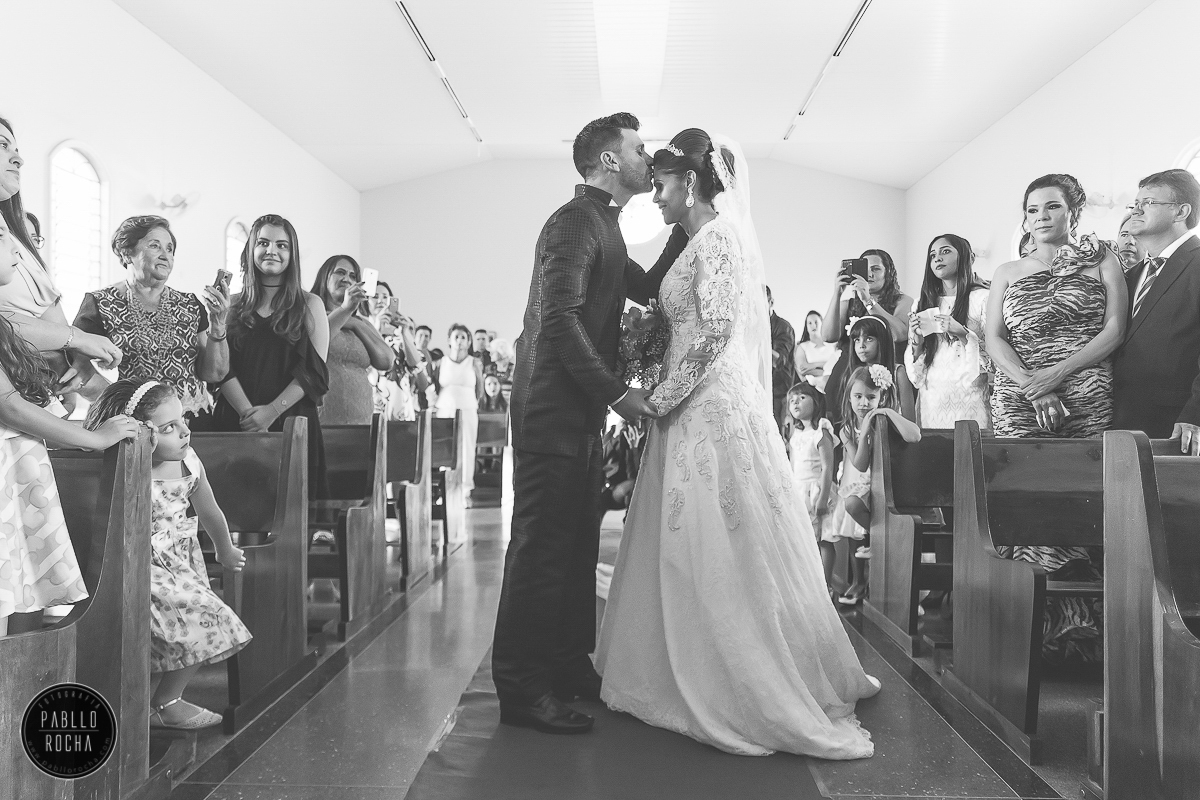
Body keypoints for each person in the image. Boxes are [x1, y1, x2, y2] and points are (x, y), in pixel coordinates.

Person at [597, 128, 879, 758]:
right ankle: (677, 659)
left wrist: (663, 397)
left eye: (664, 186)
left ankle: (738, 676)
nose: (658, 197)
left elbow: (718, 327)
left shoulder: (718, 237)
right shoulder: (696, 238)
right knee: (689, 534)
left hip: (706, 403)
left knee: (722, 533)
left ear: (689, 183)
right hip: (689, 402)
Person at [491, 111, 689, 736]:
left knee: (577, 543)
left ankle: (569, 665)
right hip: (552, 405)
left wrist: (692, 219)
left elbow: (650, 287)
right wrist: (618, 393)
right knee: (542, 548)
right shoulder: (575, 222)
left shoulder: (606, 225)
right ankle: (521, 688)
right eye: (637, 149)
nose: (645, 157)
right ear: (609, 160)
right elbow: (559, 320)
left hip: (575, 409)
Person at [987, 173, 1126, 663]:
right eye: (1032, 209)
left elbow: (1115, 330)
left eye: (1052, 207)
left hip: (1085, 392)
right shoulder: (1006, 271)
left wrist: (1058, 375)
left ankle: (1084, 634)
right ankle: (1027, 630)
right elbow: (994, 340)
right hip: (1018, 395)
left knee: (1081, 499)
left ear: (1072, 212)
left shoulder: (1103, 259)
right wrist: (1032, 384)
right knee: (1027, 500)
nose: (1041, 217)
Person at [0, 216, 142, 636]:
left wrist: (74, 341)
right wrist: (94, 439)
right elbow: (9, 406)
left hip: (16, 469)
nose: (18, 251)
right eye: (3, 239)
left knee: (12, 600)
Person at [85, 380, 251, 728]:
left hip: (181, 561)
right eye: (168, 428)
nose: (184, 432)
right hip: (139, 564)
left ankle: (163, 702)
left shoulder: (189, 461)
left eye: (183, 420)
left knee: (195, 620)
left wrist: (224, 548)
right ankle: (154, 703)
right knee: (207, 615)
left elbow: (209, 511)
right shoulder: (129, 461)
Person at [210, 214, 330, 499]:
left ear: (292, 254)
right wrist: (247, 415)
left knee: (290, 516)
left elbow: (313, 371)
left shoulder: (310, 304)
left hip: (292, 421)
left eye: (282, 245)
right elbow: (220, 366)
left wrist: (271, 412)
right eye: (263, 243)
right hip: (237, 421)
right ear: (251, 249)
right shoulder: (233, 304)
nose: (271, 251)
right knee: (236, 512)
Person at [0, 117, 123, 393]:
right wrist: (75, 338)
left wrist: (77, 356)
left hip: (48, 385)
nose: (18, 159)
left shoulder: (14, 235)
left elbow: (50, 322)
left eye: (16, 150)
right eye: (2, 145)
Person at [72, 216, 230, 426]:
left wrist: (218, 322)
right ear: (127, 252)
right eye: (155, 246)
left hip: (192, 422)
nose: (166, 255)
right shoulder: (100, 303)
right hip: (133, 422)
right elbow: (75, 366)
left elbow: (214, 373)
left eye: (170, 249)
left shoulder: (190, 305)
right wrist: (115, 399)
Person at [1112, 170, 1200, 452]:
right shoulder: (1132, 274)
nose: (1135, 210)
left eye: (1148, 202)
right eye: (1134, 203)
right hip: (1124, 420)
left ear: (1181, 211)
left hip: (1177, 425)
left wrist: (1194, 417)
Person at [829, 365, 922, 606]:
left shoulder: (885, 418)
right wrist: (864, 433)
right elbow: (859, 464)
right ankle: (877, 538)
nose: (863, 403)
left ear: (881, 398)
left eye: (871, 397)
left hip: (889, 485)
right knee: (851, 504)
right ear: (849, 398)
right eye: (858, 397)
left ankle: (880, 544)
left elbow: (915, 436)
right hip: (863, 485)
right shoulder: (847, 429)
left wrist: (888, 414)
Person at [904, 234, 991, 428]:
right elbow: (917, 374)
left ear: (967, 257)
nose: (937, 258)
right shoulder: (922, 303)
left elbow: (993, 357)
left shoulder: (982, 299)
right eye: (933, 255)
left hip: (970, 399)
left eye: (945, 251)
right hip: (932, 400)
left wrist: (963, 334)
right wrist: (916, 340)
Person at [821, 249, 914, 422]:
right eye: (865, 268)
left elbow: (899, 333)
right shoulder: (848, 303)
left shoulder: (902, 301)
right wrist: (837, 293)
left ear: (888, 273)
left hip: (884, 371)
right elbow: (828, 336)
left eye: (876, 269)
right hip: (848, 371)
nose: (870, 274)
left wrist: (868, 301)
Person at [310, 255, 395, 425]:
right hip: (323, 418)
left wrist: (357, 324)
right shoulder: (312, 315)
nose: (346, 279)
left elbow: (386, 361)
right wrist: (344, 310)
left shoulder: (362, 322)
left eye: (353, 276)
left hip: (362, 419)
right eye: (340, 272)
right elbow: (314, 347)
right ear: (324, 278)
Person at [433, 323, 485, 497]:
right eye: (456, 337)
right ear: (449, 340)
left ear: (469, 341)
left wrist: (471, 402)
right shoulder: (442, 362)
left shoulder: (474, 363)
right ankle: (446, 488)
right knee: (446, 448)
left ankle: (465, 488)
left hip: (468, 407)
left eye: (463, 337)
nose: (460, 341)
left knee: (466, 448)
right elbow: (435, 386)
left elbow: (479, 388)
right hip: (445, 408)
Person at [783, 382, 835, 550]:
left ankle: (824, 576)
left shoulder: (821, 431)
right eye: (792, 400)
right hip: (799, 490)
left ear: (816, 402)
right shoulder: (796, 434)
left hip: (816, 489)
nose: (796, 402)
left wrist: (823, 498)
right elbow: (792, 465)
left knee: (823, 538)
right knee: (804, 538)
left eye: (802, 397)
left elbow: (828, 466)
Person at [765, 286, 797, 430]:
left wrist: (760, 342)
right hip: (759, 388)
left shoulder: (783, 327)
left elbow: (779, 361)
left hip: (779, 392)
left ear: (771, 302)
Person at [795, 310, 838, 393]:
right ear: (806, 327)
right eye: (809, 323)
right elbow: (803, 370)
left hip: (833, 386)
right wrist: (828, 368)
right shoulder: (803, 347)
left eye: (816, 322)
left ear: (822, 323)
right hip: (811, 389)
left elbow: (838, 367)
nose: (813, 325)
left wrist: (813, 365)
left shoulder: (833, 345)